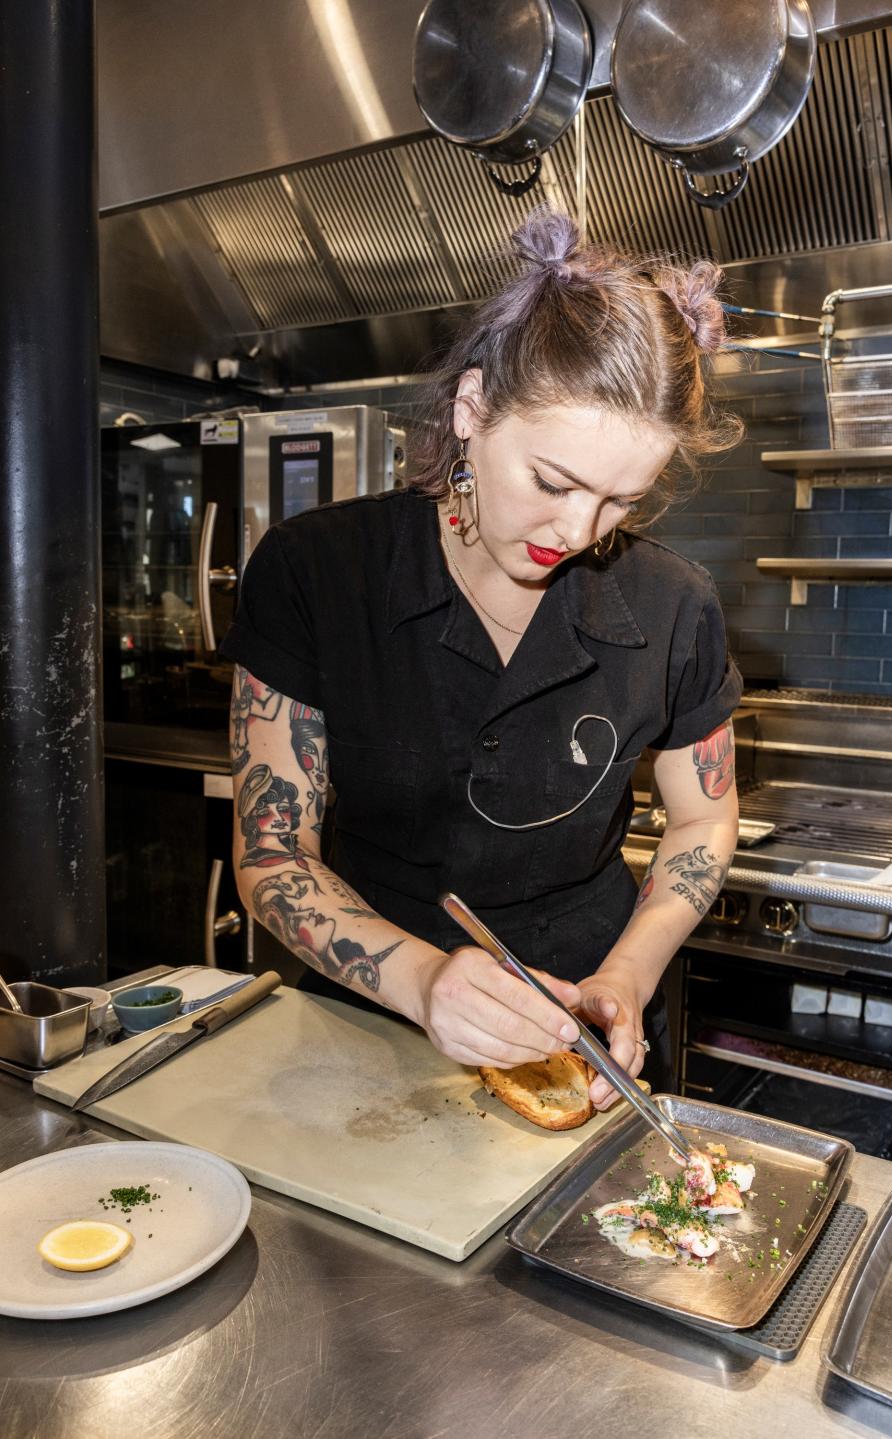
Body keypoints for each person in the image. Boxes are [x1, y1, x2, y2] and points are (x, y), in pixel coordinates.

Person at [220, 210, 742, 1109]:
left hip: (587, 1049)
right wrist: (425, 983)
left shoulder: (676, 606)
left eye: (623, 500)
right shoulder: (318, 572)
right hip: (371, 1029)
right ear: (471, 409)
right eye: (553, 482)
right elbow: (272, 852)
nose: (578, 532)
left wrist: (627, 977)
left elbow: (701, 822)